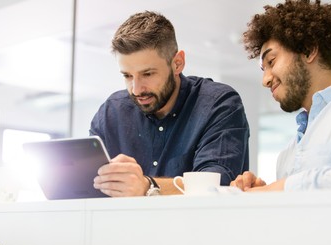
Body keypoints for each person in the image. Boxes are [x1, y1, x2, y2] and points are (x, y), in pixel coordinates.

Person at [90, 11, 250, 197]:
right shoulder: (111, 112)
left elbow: (215, 186)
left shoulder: (218, 104)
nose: (136, 89)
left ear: (177, 63)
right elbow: (87, 185)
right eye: (127, 76)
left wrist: (147, 186)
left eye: (147, 74)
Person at [232, 0, 331, 192]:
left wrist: (284, 188)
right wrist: (266, 194)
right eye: (263, 70)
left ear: (308, 50)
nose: (265, 80)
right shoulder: (288, 154)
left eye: (271, 61)